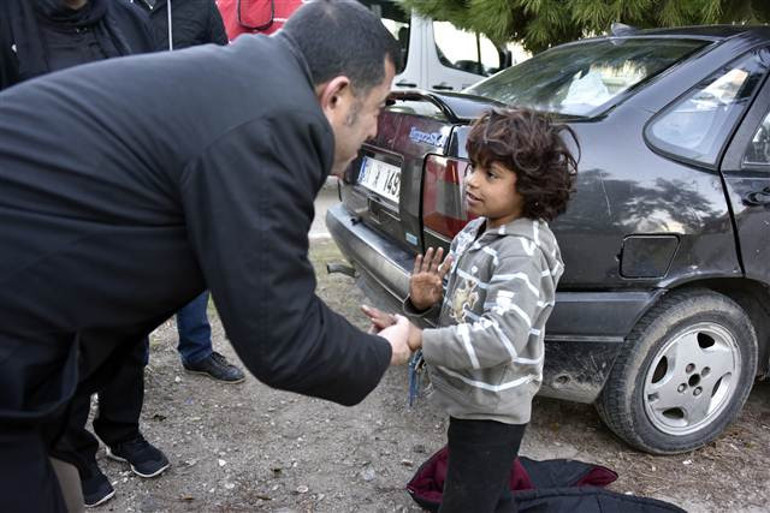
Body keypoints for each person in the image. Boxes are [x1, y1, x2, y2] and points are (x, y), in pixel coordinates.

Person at [0, 1, 412, 511]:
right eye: (379, 107)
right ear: (337, 95)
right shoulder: (272, 120)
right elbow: (281, 336)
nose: (375, 129)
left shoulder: (244, 83)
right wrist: (386, 349)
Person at [365, 108, 578, 513]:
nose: (471, 181)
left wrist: (418, 339)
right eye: (473, 167)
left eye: (491, 174)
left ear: (530, 187)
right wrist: (426, 304)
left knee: (466, 502)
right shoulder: (478, 229)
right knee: (489, 496)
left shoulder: (522, 252)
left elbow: (500, 337)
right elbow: (468, 310)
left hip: (493, 412)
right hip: (473, 398)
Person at [0, 0, 168, 509]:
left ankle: (122, 430)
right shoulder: (11, 19)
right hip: (45, 221)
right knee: (65, 345)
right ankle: (73, 450)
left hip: (124, 216)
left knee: (128, 339)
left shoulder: (127, 17)